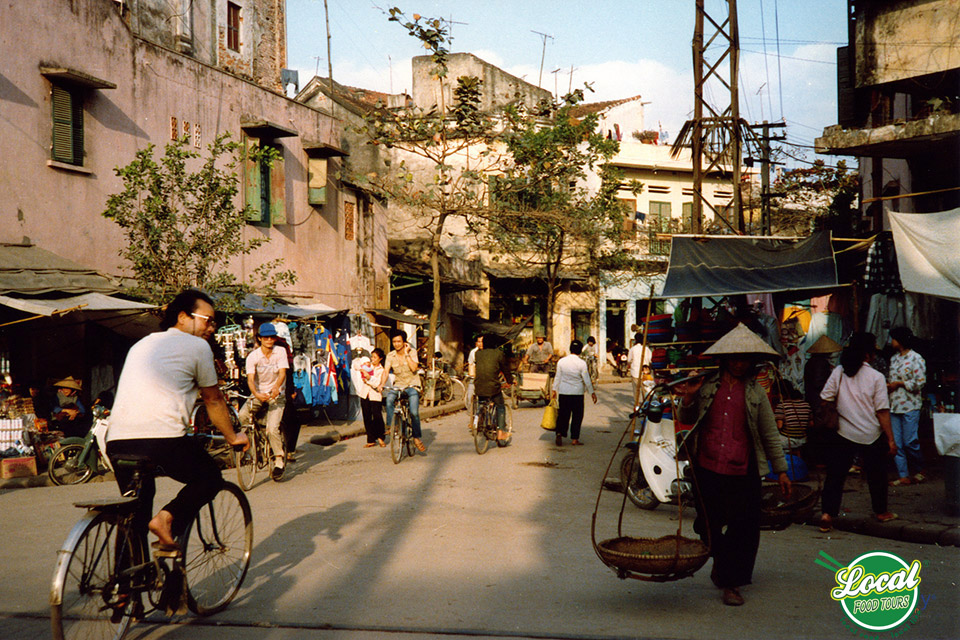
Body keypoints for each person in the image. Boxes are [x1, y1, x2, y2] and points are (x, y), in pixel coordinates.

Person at [106, 289, 249, 552]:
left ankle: (125, 587)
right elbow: (214, 400)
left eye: (213, 322)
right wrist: (232, 436)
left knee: (135, 510)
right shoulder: (196, 346)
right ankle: (166, 519)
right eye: (207, 320)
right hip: (161, 441)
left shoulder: (142, 344)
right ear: (182, 317)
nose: (211, 327)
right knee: (209, 478)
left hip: (116, 441)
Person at [674, 323, 790, 607]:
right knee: (706, 525)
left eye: (744, 359)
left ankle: (732, 583)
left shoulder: (755, 393)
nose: (739, 364)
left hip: (743, 470)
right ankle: (724, 565)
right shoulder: (706, 385)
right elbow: (686, 415)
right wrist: (688, 395)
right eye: (734, 358)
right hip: (707, 466)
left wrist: (782, 470)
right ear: (724, 358)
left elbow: (769, 433)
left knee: (744, 529)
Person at [818, 332, 898, 533]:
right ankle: (881, 512)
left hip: (843, 432)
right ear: (869, 355)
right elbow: (882, 412)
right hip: (871, 433)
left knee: (835, 475)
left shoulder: (839, 371)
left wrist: (843, 407)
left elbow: (825, 398)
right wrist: (890, 439)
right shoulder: (877, 377)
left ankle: (827, 514)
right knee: (877, 475)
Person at [238, 323, 289, 481]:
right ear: (259, 338)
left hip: (276, 395)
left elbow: (282, 373)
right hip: (259, 394)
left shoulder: (280, 351)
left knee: (272, 429)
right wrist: (256, 394)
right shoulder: (253, 356)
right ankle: (250, 449)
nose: (269, 340)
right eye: (265, 337)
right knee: (242, 416)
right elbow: (251, 380)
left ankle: (279, 460)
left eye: (271, 337)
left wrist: (276, 388)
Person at [886, 327, 927, 486]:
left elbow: (920, 382)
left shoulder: (916, 358)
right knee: (896, 442)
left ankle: (920, 468)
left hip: (911, 404)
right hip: (894, 404)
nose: (891, 342)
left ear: (900, 340)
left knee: (910, 440)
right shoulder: (894, 359)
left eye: (894, 339)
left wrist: (900, 384)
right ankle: (903, 475)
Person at [379, 329, 426, 453]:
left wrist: (407, 354)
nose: (396, 344)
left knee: (414, 412)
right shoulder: (390, 355)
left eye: (399, 341)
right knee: (389, 399)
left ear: (404, 342)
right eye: (394, 341)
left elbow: (414, 367)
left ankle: (416, 437)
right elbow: (385, 371)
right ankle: (392, 426)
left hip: (412, 385)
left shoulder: (412, 352)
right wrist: (381, 384)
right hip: (399, 385)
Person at [803, 335, 842, 465]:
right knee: (822, 433)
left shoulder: (811, 362)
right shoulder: (821, 363)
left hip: (813, 401)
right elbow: (818, 383)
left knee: (817, 434)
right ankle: (820, 461)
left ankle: (817, 461)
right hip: (819, 403)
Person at [552, 340, 597, 446]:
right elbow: (586, 379)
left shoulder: (561, 362)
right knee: (577, 416)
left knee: (563, 414)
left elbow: (557, 377)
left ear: (570, 349)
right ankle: (574, 439)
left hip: (563, 392)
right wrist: (592, 393)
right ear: (580, 351)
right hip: (577, 393)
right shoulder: (582, 363)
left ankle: (559, 432)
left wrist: (554, 389)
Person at [473, 334, 514, 441]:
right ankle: (500, 432)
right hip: (492, 387)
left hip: (478, 387)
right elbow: (505, 369)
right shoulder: (498, 354)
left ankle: (480, 419)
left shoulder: (478, 354)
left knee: (482, 402)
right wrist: (510, 380)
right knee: (500, 406)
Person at [354, 348, 386, 447]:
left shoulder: (382, 370)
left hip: (375, 395)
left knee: (377, 416)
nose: (373, 359)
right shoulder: (368, 366)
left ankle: (380, 437)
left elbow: (377, 383)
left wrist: (368, 379)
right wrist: (362, 369)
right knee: (367, 416)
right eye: (372, 357)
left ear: (380, 359)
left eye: (375, 357)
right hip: (365, 394)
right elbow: (356, 366)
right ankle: (371, 439)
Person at [774, 381, 813, 455]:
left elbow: (779, 426)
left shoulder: (782, 405)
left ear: (781, 393)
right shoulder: (806, 405)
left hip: (787, 440)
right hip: (803, 440)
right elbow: (811, 424)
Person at [626, 332, 653, 402]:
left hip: (635, 372)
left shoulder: (632, 349)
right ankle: (646, 404)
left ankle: (637, 404)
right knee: (646, 390)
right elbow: (650, 360)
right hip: (645, 372)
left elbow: (629, 360)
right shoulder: (646, 349)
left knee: (636, 391)